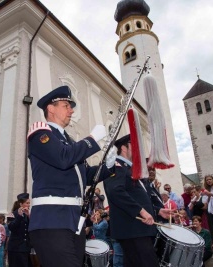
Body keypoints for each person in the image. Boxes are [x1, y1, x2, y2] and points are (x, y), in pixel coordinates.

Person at [27, 85, 116, 267]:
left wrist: (108, 166)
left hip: (74, 220)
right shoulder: (40, 133)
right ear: (51, 108)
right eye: (66, 106)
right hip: (51, 220)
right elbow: (63, 158)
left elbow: (87, 176)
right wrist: (92, 139)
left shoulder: (69, 142)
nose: (71, 110)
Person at [103, 134, 172, 267]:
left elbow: (138, 197)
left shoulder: (131, 169)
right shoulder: (116, 166)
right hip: (132, 229)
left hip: (139, 229)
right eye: (134, 145)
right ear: (124, 148)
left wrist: (158, 211)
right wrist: (140, 211)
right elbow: (115, 192)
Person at [7, 193, 32, 267]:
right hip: (16, 248)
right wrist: (19, 216)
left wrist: (29, 216)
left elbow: (31, 228)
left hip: (25, 248)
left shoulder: (28, 215)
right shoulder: (12, 214)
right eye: (27, 203)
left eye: (29, 203)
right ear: (21, 204)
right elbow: (11, 227)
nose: (29, 205)